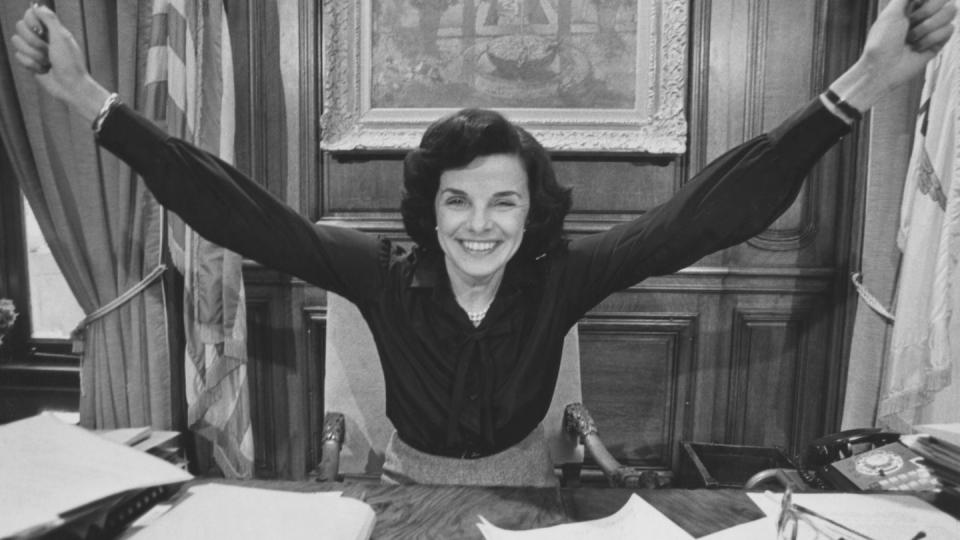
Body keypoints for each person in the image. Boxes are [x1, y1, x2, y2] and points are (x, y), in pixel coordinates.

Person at [11, 0, 956, 487]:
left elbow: (708, 214)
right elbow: (236, 211)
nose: (478, 224)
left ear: (529, 210)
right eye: (457, 201)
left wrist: (867, 81)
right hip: (403, 498)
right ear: (427, 211)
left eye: (502, 202)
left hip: (537, 502)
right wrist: (93, 103)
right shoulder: (376, 277)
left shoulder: (568, 276)